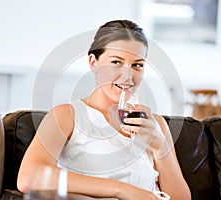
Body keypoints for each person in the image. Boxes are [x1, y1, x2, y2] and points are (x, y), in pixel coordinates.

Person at [17, 19, 191, 200]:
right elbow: (29, 177)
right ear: (94, 63)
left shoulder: (155, 124)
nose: (128, 75)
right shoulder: (67, 116)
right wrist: (122, 190)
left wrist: (160, 147)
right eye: (116, 62)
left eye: (137, 65)